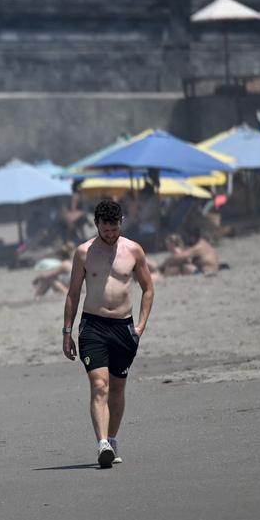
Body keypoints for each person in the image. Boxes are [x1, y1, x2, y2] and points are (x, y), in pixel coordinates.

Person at [62, 200, 154, 469]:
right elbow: (73, 294)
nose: (111, 234)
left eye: (115, 229)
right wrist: (67, 332)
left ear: (120, 223)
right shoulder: (83, 253)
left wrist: (140, 326)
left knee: (117, 387)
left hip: (123, 328)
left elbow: (148, 289)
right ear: (97, 224)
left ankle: (112, 438)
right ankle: (101, 443)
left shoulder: (133, 250)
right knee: (99, 385)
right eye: (106, 229)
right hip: (93, 326)